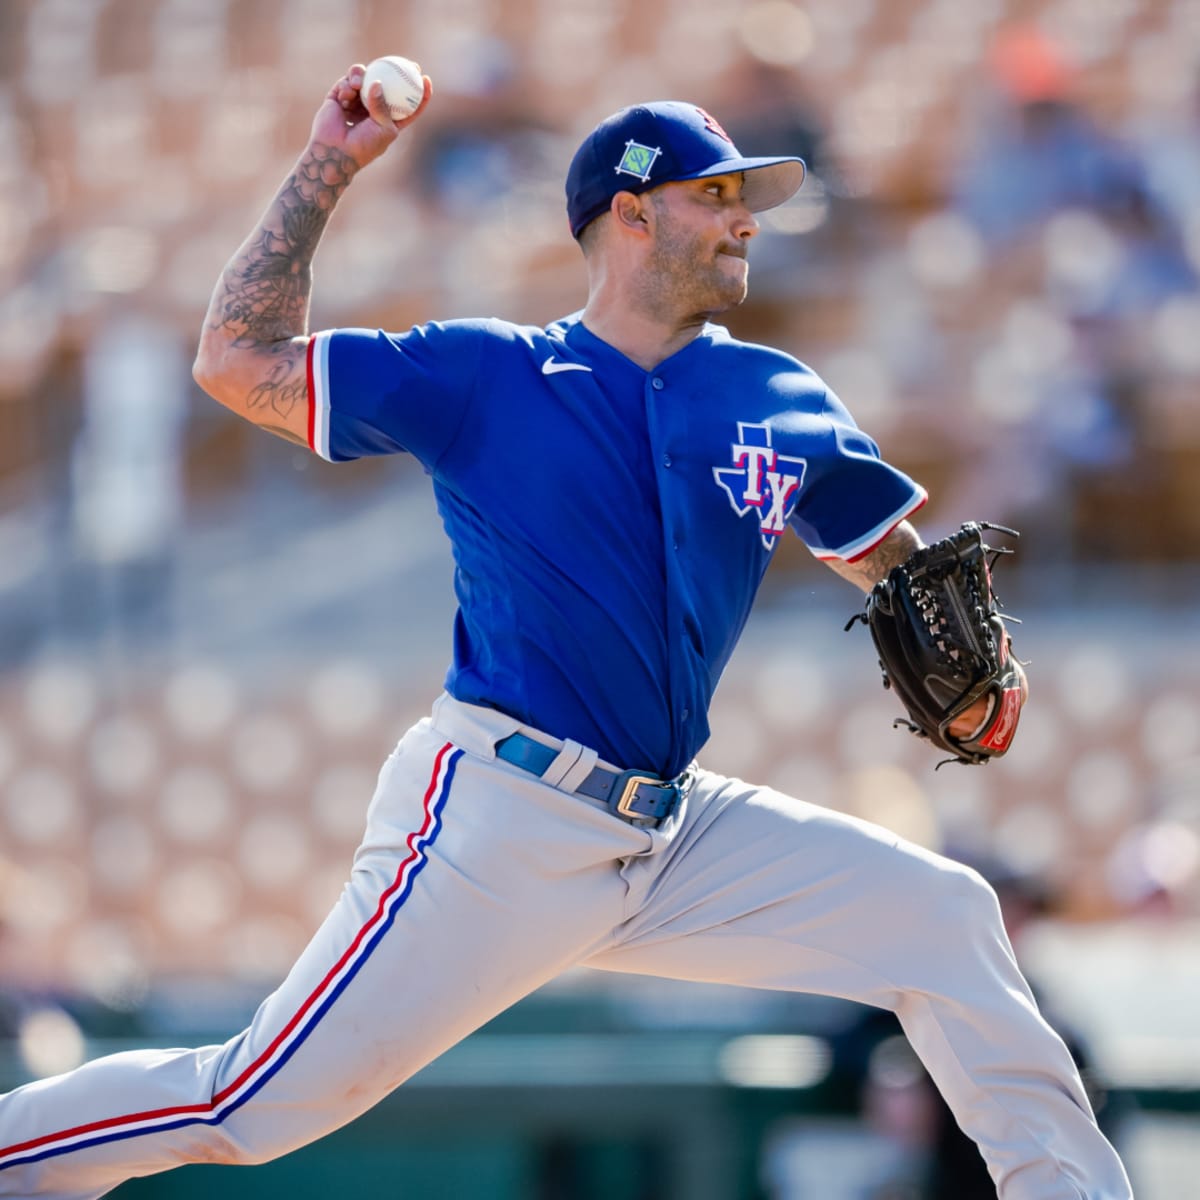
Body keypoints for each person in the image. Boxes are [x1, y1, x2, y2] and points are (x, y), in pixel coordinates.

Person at [0, 63, 1131, 1200]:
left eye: (751, 199)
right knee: (250, 1106)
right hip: (502, 823)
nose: (747, 219)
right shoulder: (490, 372)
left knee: (946, 914)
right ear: (630, 213)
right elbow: (236, 363)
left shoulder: (775, 393)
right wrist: (327, 168)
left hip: (677, 832)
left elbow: (891, 562)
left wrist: (963, 649)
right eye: (718, 194)